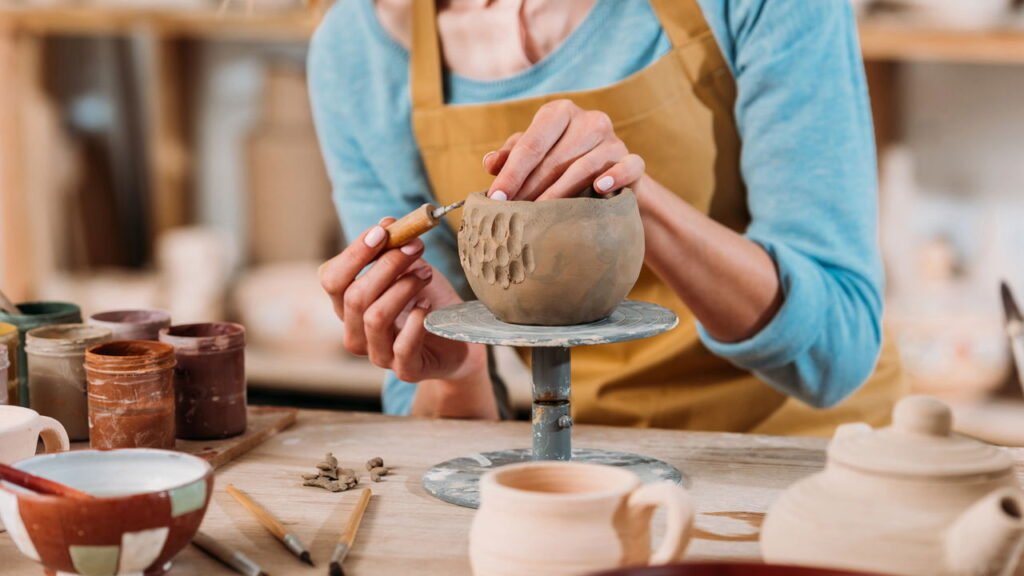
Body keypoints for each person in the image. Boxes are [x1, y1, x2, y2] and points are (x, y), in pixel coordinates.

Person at [309, 0, 905, 435]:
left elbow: (839, 353)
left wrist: (630, 198)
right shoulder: (357, 49)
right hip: (580, 468)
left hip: (801, 457)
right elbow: (443, 425)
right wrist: (456, 371)